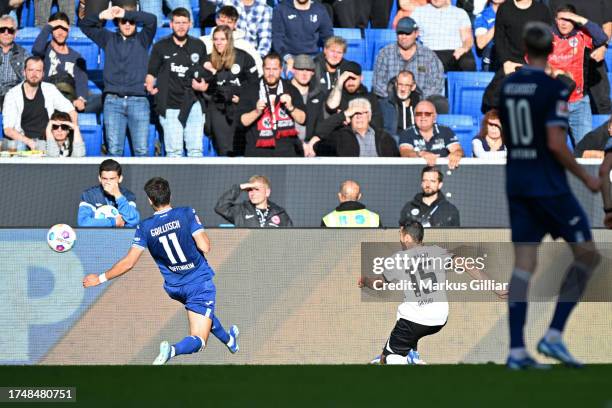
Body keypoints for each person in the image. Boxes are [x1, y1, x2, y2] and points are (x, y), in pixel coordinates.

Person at [499, 22, 601, 369]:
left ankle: (516, 351)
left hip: (517, 181)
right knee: (587, 254)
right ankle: (554, 334)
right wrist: (586, 177)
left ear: (525, 52)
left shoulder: (509, 86)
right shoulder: (552, 89)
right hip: (548, 184)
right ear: (551, 52)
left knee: (523, 266)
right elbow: (557, 143)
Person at [83, 177, 240, 365]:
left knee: (205, 313)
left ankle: (230, 340)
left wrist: (99, 279)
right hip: (198, 283)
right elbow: (205, 247)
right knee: (199, 339)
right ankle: (172, 350)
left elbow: (129, 263)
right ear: (170, 194)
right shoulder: (186, 213)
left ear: (150, 200)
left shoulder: (145, 227)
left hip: (175, 287)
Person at [358, 221, 496, 365]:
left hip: (415, 320)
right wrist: (495, 286)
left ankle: (402, 360)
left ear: (406, 238)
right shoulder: (436, 251)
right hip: (439, 319)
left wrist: (365, 280)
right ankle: (412, 354)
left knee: (387, 359)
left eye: (400, 234)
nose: (399, 238)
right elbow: (465, 264)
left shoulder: (398, 258)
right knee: (407, 325)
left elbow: (378, 284)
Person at [79, 4, 157, 157]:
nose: (127, 24)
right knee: (114, 151)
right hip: (113, 102)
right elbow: (84, 25)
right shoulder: (108, 38)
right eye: (123, 21)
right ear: (117, 23)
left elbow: (152, 20)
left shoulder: (143, 39)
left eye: (131, 21)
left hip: (139, 101)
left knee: (141, 151)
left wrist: (126, 13)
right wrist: (102, 15)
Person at [146, 7, 208, 158]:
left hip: (193, 103)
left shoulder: (198, 45)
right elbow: (151, 72)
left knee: (196, 151)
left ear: (190, 24)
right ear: (171, 24)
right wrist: (149, 85)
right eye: (177, 22)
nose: (181, 26)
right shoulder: (160, 46)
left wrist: (204, 85)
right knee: (174, 152)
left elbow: (206, 71)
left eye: (184, 22)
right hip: (170, 105)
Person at [548, 5, 608, 145]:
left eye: (568, 19)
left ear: (575, 20)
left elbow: (602, 37)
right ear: (555, 19)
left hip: (579, 102)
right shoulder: (546, 35)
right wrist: (555, 72)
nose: (563, 23)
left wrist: (580, 19)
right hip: (553, 102)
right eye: (561, 19)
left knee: (586, 148)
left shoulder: (582, 35)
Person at [481, 0, 552, 113]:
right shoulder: (504, 8)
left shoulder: (542, 10)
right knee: (491, 98)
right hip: (510, 62)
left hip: (533, 63)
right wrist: (506, 62)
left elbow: (546, 39)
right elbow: (499, 39)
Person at [238, 52, 306, 157]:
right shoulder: (250, 89)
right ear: (263, 69)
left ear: (281, 70)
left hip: (285, 152)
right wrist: (257, 112)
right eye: (268, 69)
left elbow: (303, 119)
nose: (271, 73)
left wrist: (291, 108)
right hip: (257, 152)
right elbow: (242, 122)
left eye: (274, 69)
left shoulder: (291, 89)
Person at [203, 25, 257, 156]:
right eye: (216, 39)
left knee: (241, 149)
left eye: (222, 39)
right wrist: (211, 73)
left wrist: (242, 99)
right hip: (218, 108)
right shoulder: (208, 60)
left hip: (240, 108)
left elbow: (254, 85)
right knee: (224, 150)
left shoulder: (244, 57)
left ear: (229, 40)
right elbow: (205, 89)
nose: (219, 42)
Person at [2, 56, 77, 151]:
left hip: (48, 142)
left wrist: (70, 133)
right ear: (24, 72)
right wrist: (30, 143)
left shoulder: (50, 89)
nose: (34, 74)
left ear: (43, 74)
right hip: (23, 144)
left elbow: (71, 111)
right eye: (31, 70)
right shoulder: (12, 95)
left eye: (38, 71)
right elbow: (8, 129)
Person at [372, 17, 446, 112]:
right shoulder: (385, 53)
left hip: (420, 105)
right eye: (400, 33)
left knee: (441, 104)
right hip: (391, 105)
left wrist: (417, 100)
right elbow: (378, 83)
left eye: (407, 33)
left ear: (416, 33)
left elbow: (436, 83)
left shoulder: (429, 57)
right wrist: (395, 98)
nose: (403, 37)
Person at [32, 12, 99, 114]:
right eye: (56, 28)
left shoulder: (76, 57)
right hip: (48, 100)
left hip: (71, 100)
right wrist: (49, 26)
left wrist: (81, 99)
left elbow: (81, 81)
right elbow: (36, 50)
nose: (60, 32)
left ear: (69, 30)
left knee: (104, 99)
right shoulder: (44, 50)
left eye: (63, 28)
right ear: (51, 30)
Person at [306, 98, 399, 157]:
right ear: (349, 117)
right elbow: (319, 138)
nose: (359, 116)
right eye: (354, 113)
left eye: (362, 112)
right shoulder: (339, 137)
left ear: (369, 116)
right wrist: (343, 115)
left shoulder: (385, 138)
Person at [410, 0, 476, 72]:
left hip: (454, 54)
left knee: (468, 62)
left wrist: (464, 48)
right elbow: (409, 34)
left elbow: (468, 38)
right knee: (418, 66)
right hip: (429, 54)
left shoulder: (460, 13)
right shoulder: (419, 12)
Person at [398, 101, 464, 169]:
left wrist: (456, 154)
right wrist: (421, 154)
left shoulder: (446, 131)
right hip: (416, 171)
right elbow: (405, 152)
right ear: (414, 117)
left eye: (427, 114)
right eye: (418, 114)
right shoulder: (406, 133)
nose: (423, 117)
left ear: (434, 117)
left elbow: (457, 149)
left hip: (443, 171)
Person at [200, 5, 263, 76]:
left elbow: (259, 69)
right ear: (217, 20)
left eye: (229, 22)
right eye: (222, 21)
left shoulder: (245, 46)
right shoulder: (203, 42)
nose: (225, 25)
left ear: (235, 24)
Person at [272, 0, 333, 72]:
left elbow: (328, 38)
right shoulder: (281, 9)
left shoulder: (319, 9)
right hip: (289, 57)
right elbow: (277, 39)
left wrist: (328, 57)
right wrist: (287, 58)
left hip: (313, 57)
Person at [77, 159, 140, 228]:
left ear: (120, 179)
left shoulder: (128, 195)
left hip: (120, 236)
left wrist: (118, 195)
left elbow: (134, 220)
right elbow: (83, 222)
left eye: (112, 179)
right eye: (104, 178)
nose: (108, 182)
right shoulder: (89, 195)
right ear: (99, 178)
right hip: (96, 236)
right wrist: (113, 222)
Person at [323, 61, 383, 131]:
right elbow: (331, 107)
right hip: (338, 137)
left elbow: (377, 125)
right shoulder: (336, 94)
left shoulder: (371, 98)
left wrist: (349, 119)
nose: (350, 82)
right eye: (347, 79)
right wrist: (339, 83)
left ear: (361, 78)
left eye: (353, 79)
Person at [215, 175, 293, 227]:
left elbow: (290, 238)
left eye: (257, 189)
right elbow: (220, 207)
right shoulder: (241, 211)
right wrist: (240, 187)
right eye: (249, 190)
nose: (252, 193)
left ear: (267, 192)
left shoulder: (280, 213)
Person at [206, 0, 273, 57]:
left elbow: (265, 39)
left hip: (251, 54)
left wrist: (256, 59)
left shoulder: (265, 9)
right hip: (225, 52)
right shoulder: (228, 1)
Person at [290, 54, 326, 144]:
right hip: (287, 146)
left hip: (311, 146)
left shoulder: (319, 94)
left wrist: (313, 143)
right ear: (293, 70)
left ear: (313, 72)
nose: (304, 74)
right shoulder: (282, 90)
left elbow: (321, 124)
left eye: (308, 70)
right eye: (301, 69)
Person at [379, 70, 422, 142]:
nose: (403, 89)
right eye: (400, 84)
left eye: (406, 85)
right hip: (393, 144)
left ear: (413, 87)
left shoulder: (421, 105)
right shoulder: (384, 105)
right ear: (396, 84)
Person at [0, 15, 28, 111]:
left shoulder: (24, 54)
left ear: (15, 33)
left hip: (13, 97)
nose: (6, 33)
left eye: (10, 30)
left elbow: (28, 82)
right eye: (2, 30)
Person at [474, 0, 506, 72]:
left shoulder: (514, 13)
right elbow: (480, 43)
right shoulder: (483, 16)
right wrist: (499, 22)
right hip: (491, 58)